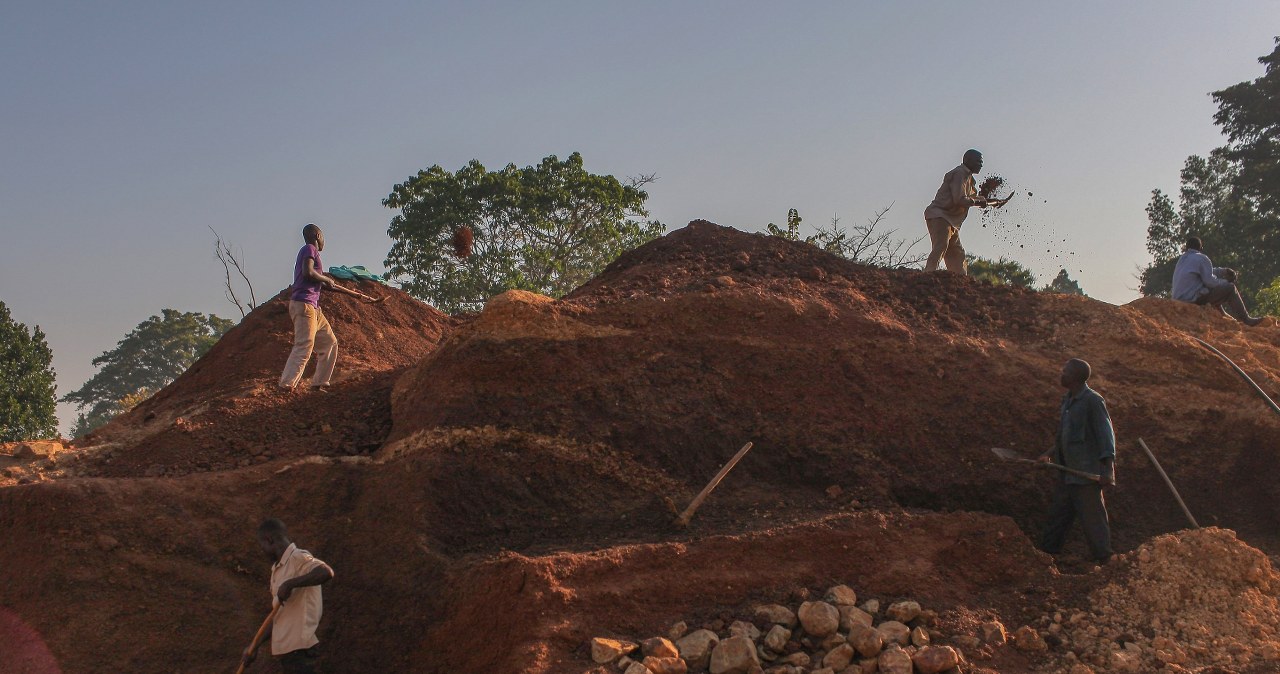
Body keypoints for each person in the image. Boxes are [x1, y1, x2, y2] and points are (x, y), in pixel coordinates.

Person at [1038, 358, 1116, 565]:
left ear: (1075, 377)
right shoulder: (1067, 401)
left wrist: (1108, 469)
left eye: (1065, 371)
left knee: (1094, 521)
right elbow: (1064, 437)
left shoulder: (1093, 401)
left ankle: (1106, 560)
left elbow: (1106, 435)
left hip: (1085, 475)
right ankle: (1045, 558)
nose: (1061, 374)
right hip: (1067, 473)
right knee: (1057, 518)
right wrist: (1048, 453)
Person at [241, 518, 335, 674]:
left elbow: (326, 572)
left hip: (301, 651)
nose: (262, 551)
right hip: (290, 655)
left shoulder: (297, 557)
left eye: (262, 545)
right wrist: (254, 646)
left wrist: (290, 584)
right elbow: (277, 615)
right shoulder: (276, 570)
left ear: (269, 540)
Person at [279, 224, 362, 391]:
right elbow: (308, 272)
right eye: (323, 236)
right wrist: (325, 278)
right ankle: (286, 385)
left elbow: (317, 281)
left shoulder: (311, 253)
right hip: (304, 304)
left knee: (329, 343)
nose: (324, 241)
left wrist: (349, 293)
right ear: (317, 235)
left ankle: (319, 383)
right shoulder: (309, 249)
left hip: (314, 308)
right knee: (304, 344)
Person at [923, 149, 992, 274]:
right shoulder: (959, 174)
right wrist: (978, 202)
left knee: (956, 253)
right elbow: (960, 199)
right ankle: (928, 275)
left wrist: (985, 200)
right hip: (940, 216)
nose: (981, 165)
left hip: (951, 221)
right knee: (941, 246)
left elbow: (970, 198)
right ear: (967, 160)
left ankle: (961, 280)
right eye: (978, 161)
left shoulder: (968, 178)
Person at [1170, 236, 1264, 326]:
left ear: (1186, 248)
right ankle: (1246, 319)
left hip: (1177, 299)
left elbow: (1206, 272)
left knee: (1209, 289)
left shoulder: (1182, 259)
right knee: (1230, 288)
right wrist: (1226, 281)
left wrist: (1224, 271)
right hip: (1191, 300)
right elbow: (1210, 282)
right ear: (1201, 248)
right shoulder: (1202, 258)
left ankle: (1223, 314)